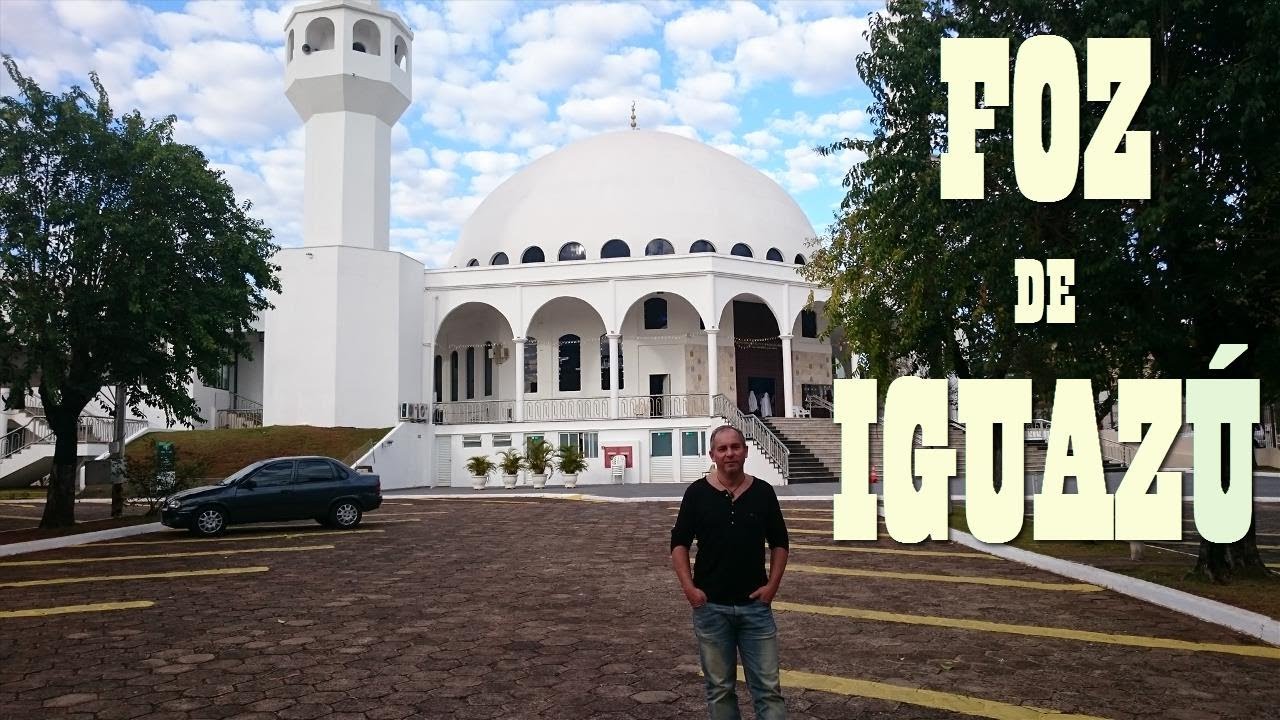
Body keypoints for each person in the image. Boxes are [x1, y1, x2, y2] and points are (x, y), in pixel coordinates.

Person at [671, 425, 789, 720]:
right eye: (722, 449)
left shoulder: (763, 492)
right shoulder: (697, 493)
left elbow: (780, 543)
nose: (729, 453)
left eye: (735, 447)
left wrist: (772, 586)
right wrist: (690, 589)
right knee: (720, 689)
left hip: (756, 610)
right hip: (711, 608)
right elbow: (679, 543)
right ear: (712, 455)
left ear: (745, 451)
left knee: (768, 690)